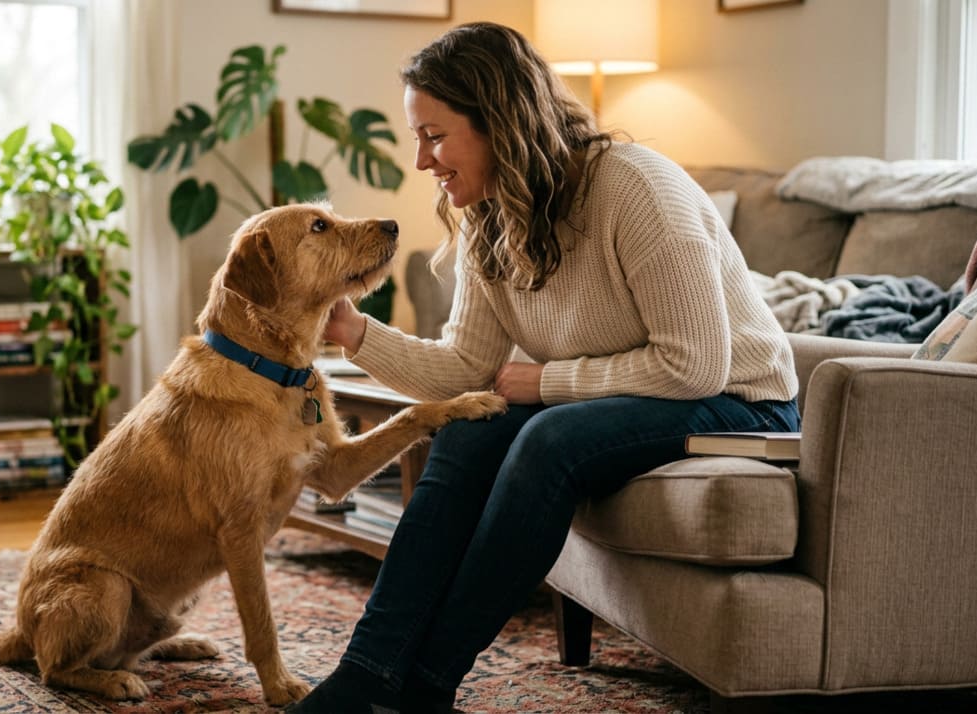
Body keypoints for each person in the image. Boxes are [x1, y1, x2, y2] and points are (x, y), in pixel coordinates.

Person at [290, 21, 799, 714]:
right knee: (470, 429)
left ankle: (426, 686)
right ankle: (369, 672)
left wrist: (550, 382)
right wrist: (354, 331)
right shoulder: (487, 215)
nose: (421, 161)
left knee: (546, 439)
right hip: (658, 396)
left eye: (435, 136)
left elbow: (696, 365)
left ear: (498, 120)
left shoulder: (637, 189)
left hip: (743, 405)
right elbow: (467, 368)